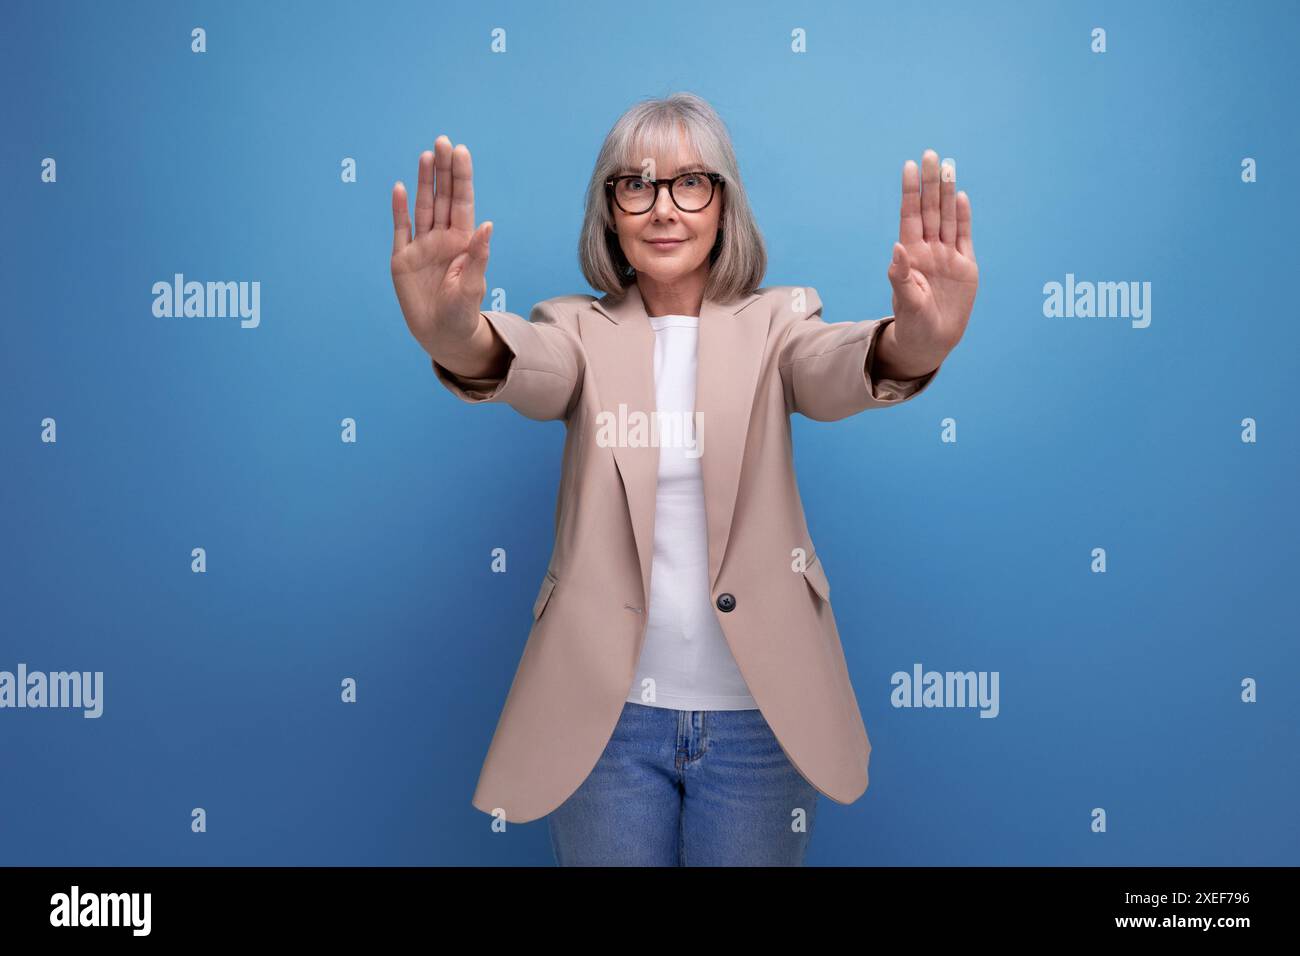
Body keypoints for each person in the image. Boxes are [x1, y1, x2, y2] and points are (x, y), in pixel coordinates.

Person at [389, 92, 977, 865]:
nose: (664, 208)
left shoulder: (779, 324)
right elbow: (526, 365)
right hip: (606, 724)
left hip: (759, 724)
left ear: (725, 204)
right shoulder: (574, 329)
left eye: (690, 182)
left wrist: (913, 344)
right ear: (610, 212)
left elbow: (834, 367)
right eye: (636, 185)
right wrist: (455, 331)